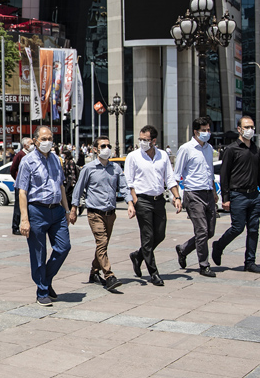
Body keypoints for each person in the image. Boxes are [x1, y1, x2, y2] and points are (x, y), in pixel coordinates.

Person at [16, 127, 71, 306]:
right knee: (38, 253)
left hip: (57, 210)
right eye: (43, 138)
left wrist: (67, 210)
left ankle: (46, 280)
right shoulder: (27, 161)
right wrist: (24, 219)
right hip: (37, 211)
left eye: (50, 138)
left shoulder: (56, 159)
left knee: (64, 247)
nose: (47, 141)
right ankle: (42, 291)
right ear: (36, 140)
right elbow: (22, 191)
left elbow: (61, 186)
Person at [70, 136, 130, 291]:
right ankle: (109, 276)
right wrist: (74, 209)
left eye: (108, 145)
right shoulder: (89, 168)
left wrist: (130, 203)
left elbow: (123, 187)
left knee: (103, 245)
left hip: (110, 213)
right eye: (103, 146)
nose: (107, 148)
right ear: (95, 149)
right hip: (95, 213)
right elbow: (78, 188)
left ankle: (94, 272)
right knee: (102, 243)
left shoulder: (115, 168)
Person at [124, 125, 182, 287]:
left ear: (154, 141)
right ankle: (154, 273)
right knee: (148, 237)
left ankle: (138, 256)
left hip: (159, 200)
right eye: (140, 139)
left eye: (146, 140)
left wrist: (176, 197)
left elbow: (170, 178)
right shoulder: (133, 156)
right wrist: (133, 201)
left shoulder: (163, 155)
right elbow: (129, 181)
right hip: (142, 200)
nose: (142, 142)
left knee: (160, 234)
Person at [212, 116, 260, 273]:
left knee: (253, 229)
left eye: (252, 127)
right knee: (237, 227)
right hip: (238, 195)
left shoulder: (256, 149)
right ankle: (219, 245)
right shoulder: (231, 150)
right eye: (246, 127)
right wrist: (225, 198)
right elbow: (224, 176)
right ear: (239, 129)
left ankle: (250, 262)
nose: (250, 130)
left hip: (254, 195)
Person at [174, 116, 219, 278]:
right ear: (195, 131)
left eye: (208, 130)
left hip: (208, 192)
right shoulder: (186, 149)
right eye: (203, 130)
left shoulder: (209, 148)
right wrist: (177, 196)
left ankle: (183, 249)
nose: (207, 133)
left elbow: (210, 171)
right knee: (202, 231)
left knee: (210, 231)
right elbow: (177, 174)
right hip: (193, 194)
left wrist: (214, 191)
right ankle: (204, 264)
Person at [10, 137, 33, 235]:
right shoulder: (20, 155)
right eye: (31, 143)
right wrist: (17, 179)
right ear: (25, 145)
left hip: (29, 185)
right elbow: (13, 169)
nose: (33, 146)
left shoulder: (31, 155)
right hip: (21, 185)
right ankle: (15, 227)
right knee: (18, 207)